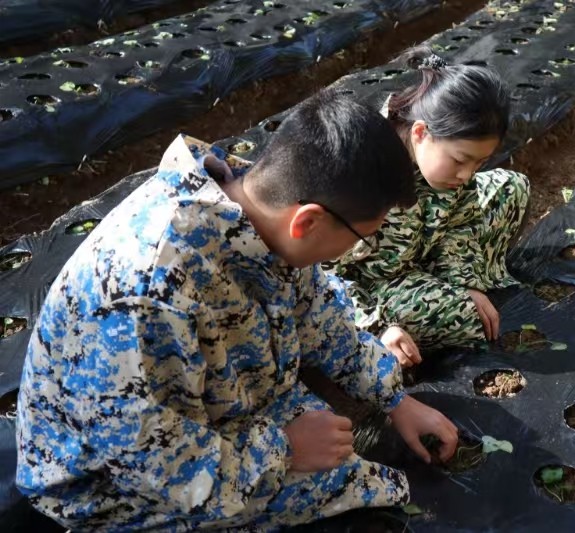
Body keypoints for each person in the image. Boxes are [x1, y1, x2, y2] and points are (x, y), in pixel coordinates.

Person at [15, 90, 458, 531]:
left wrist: (394, 399)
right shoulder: (148, 295)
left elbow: (317, 315)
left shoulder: (259, 209)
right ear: (308, 221)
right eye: (361, 237)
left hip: (222, 416)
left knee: (341, 453)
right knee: (358, 483)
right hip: (109, 487)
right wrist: (283, 450)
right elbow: (158, 467)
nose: (355, 250)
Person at [331, 48, 531, 367]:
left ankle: (448, 282)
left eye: (480, 162)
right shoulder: (360, 176)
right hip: (375, 286)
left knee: (511, 187)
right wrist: (375, 325)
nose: (467, 174)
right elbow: (321, 274)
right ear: (421, 132)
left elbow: (459, 225)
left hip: (423, 251)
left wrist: (466, 281)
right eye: (460, 160)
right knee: (468, 319)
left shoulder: (445, 164)